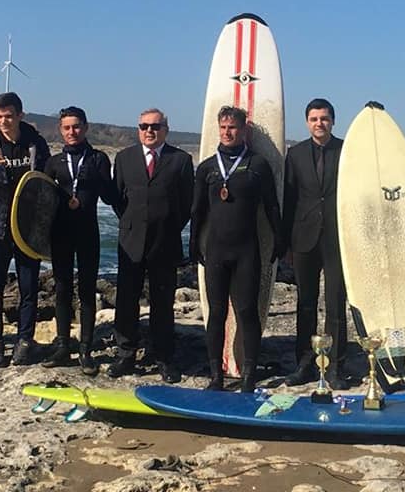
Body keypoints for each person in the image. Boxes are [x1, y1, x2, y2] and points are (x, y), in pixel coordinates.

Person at [190, 106, 283, 392]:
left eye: (232, 127)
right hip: (216, 251)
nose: (227, 132)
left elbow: (271, 206)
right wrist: (193, 243)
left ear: (244, 131)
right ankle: (215, 375)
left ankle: (249, 375)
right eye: (223, 127)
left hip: (246, 252)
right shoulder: (207, 167)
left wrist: (279, 239)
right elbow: (198, 210)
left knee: (246, 312)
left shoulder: (258, 164)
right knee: (216, 313)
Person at [107, 108, 194, 384]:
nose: (149, 131)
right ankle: (126, 354)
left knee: (163, 303)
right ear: (138, 129)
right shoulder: (124, 158)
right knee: (126, 300)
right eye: (144, 126)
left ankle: (164, 358)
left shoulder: (181, 160)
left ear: (165, 129)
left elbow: (186, 204)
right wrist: (133, 224)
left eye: (155, 126)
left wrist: (166, 225)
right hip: (131, 242)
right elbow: (118, 199)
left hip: (164, 242)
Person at [0, 92, 50, 368]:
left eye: (9, 116)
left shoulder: (36, 144)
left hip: (28, 228)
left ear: (20, 115)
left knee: (29, 288)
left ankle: (25, 341)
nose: (3, 121)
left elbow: (46, 182)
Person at [41, 106, 117, 375]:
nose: (71, 132)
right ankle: (63, 346)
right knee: (62, 289)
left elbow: (110, 196)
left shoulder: (98, 158)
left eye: (76, 127)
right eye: (66, 127)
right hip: (61, 233)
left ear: (85, 127)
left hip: (88, 232)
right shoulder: (54, 162)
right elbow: (42, 201)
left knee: (86, 291)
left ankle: (85, 349)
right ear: (60, 130)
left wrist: (100, 179)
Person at [283, 98, 348, 389]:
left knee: (336, 304)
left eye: (324, 118)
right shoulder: (295, 154)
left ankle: (335, 367)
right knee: (306, 304)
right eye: (314, 119)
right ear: (307, 122)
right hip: (304, 237)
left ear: (332, 121)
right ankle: (304, 363)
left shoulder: (346, 150)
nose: (319, 123)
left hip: (337, 238)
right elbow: (289, 199)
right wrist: (286, 244)